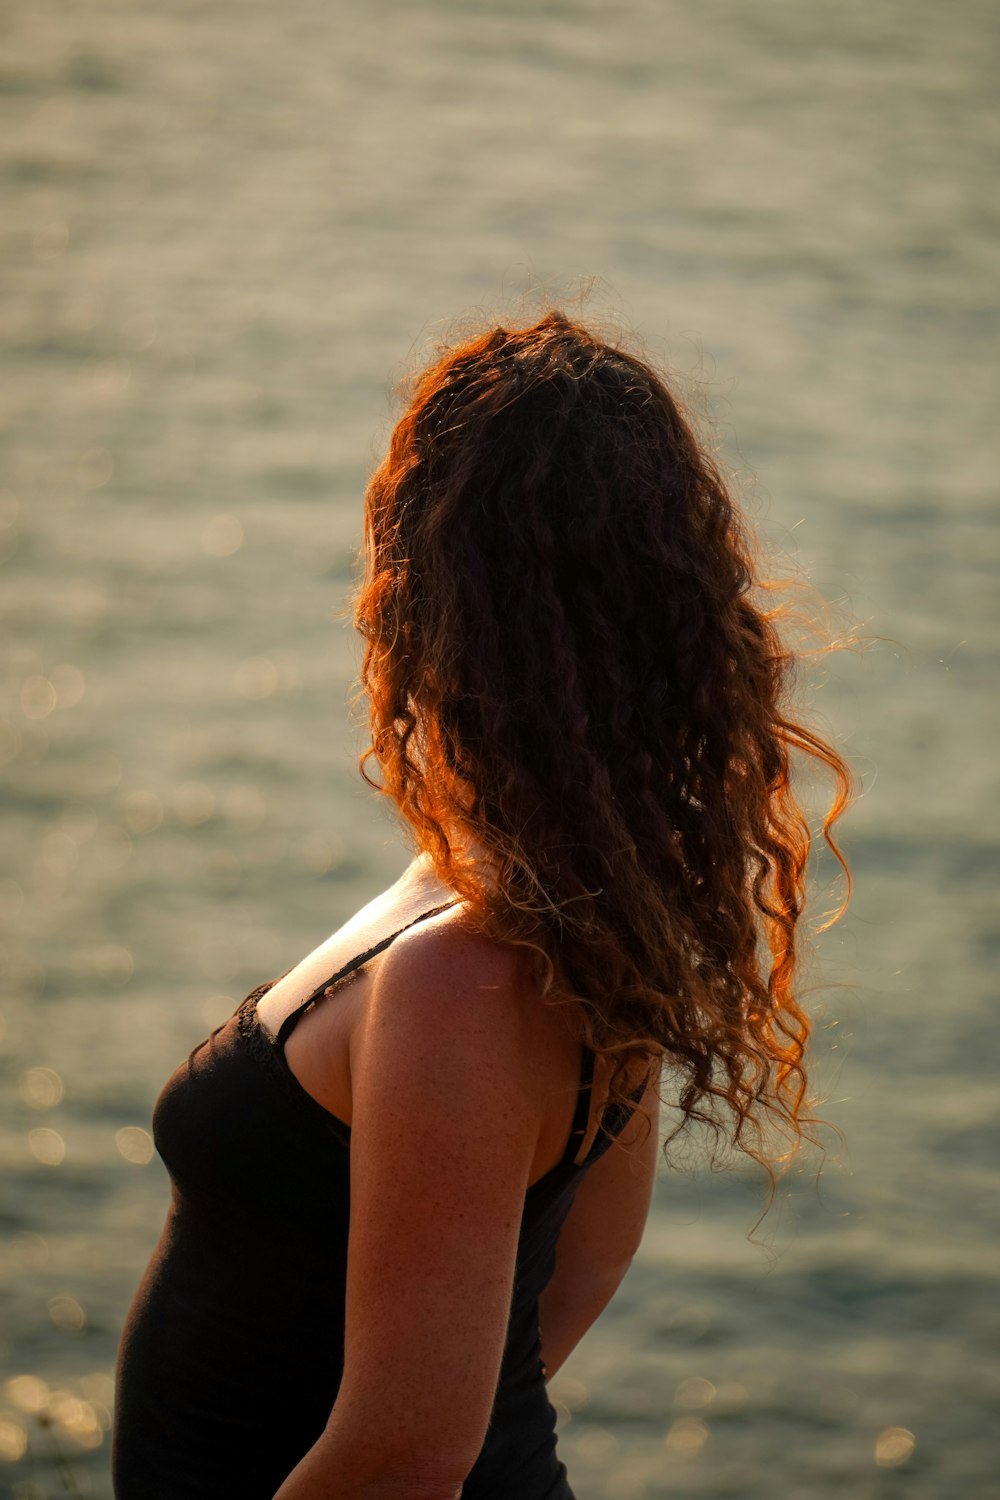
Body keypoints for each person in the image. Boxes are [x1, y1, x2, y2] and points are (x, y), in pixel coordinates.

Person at [112, 311, 852, 1500]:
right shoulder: (575, 907)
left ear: (430, 582)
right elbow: (577, 1269)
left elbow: (406, 1462)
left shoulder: (474, 973)